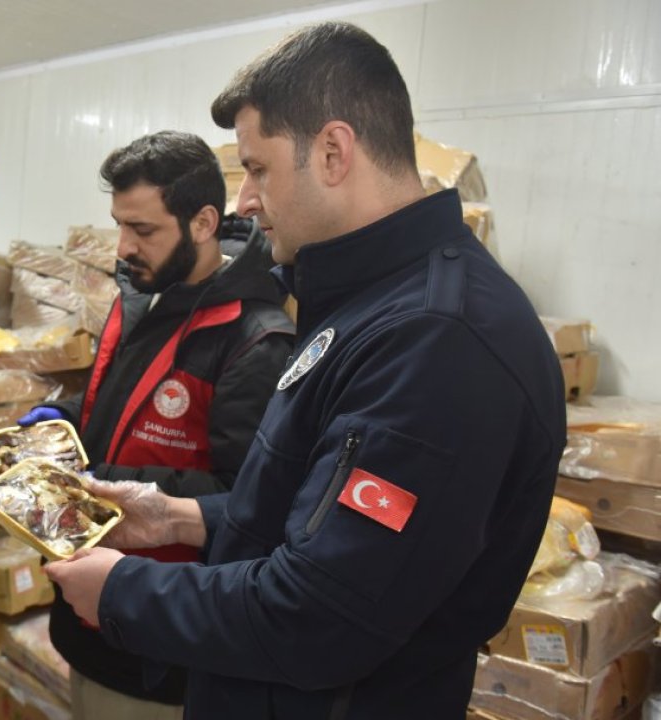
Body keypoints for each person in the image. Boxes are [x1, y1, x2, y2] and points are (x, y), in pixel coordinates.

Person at [45, 21, 566, 719]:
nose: (245, 202)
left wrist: (121, 593)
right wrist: (184, 517)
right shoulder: (368, 304)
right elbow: (307, 507)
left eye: (256, 169)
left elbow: (320, 615)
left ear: (332, 152)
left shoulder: (439, 341)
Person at [19, 130, 293, 718]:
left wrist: (89, 477)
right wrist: (59, 422)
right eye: (119, 224)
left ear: (202, 223)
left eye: (142, 230)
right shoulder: (142, 297)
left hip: (159, 653)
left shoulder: (255, 339)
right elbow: (114, 413)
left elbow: (246, 504)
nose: (122, 247)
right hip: (88, 618)